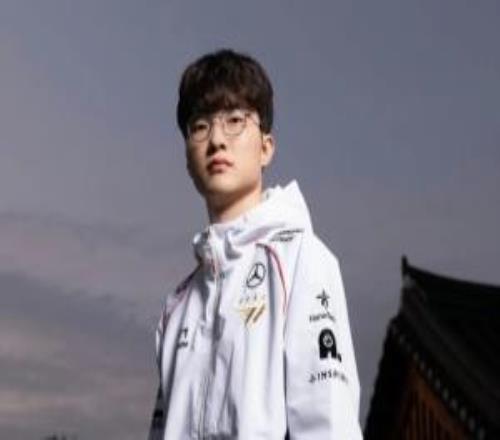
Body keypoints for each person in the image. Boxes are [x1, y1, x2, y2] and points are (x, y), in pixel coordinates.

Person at [148, 48, 363, 439]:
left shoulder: (302, 261)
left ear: (266, 148)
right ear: (187, 159)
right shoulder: (176, 308)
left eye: (234, 120)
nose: (216, 140)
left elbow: (328, 424)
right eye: (200, 126)